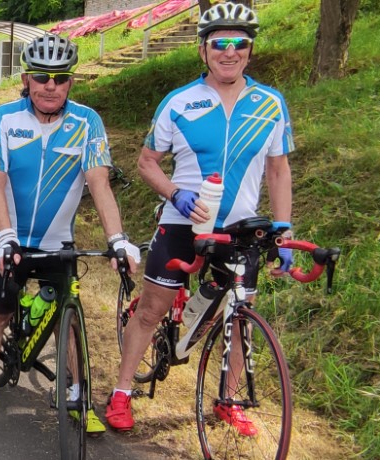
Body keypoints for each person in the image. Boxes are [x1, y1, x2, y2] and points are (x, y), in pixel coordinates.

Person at [106, 3, 294, 436]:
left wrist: (283, 230)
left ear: (250, 50)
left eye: (239, 43)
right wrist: (175, 192)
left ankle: (229, 400)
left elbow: (278, 170)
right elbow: (147, 162)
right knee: (151, 310)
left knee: (239, 312)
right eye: (219, 43)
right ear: (203, 50)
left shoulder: (270, 103)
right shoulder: (179, 102)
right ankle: (121, 393)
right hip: (182, 222)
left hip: (240, 229)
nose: (230, 52)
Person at [0, 34, 141, 430]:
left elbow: (99, 184)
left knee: (67, 321)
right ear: (27, 79)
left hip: (58, 243)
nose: (50, 86)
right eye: (41, 77)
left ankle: (76, 396)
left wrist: (117, 239)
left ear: (71, 81)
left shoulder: (87, 123)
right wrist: (5, 236)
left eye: (60, 78)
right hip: (9, 239)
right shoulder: (4, 119)